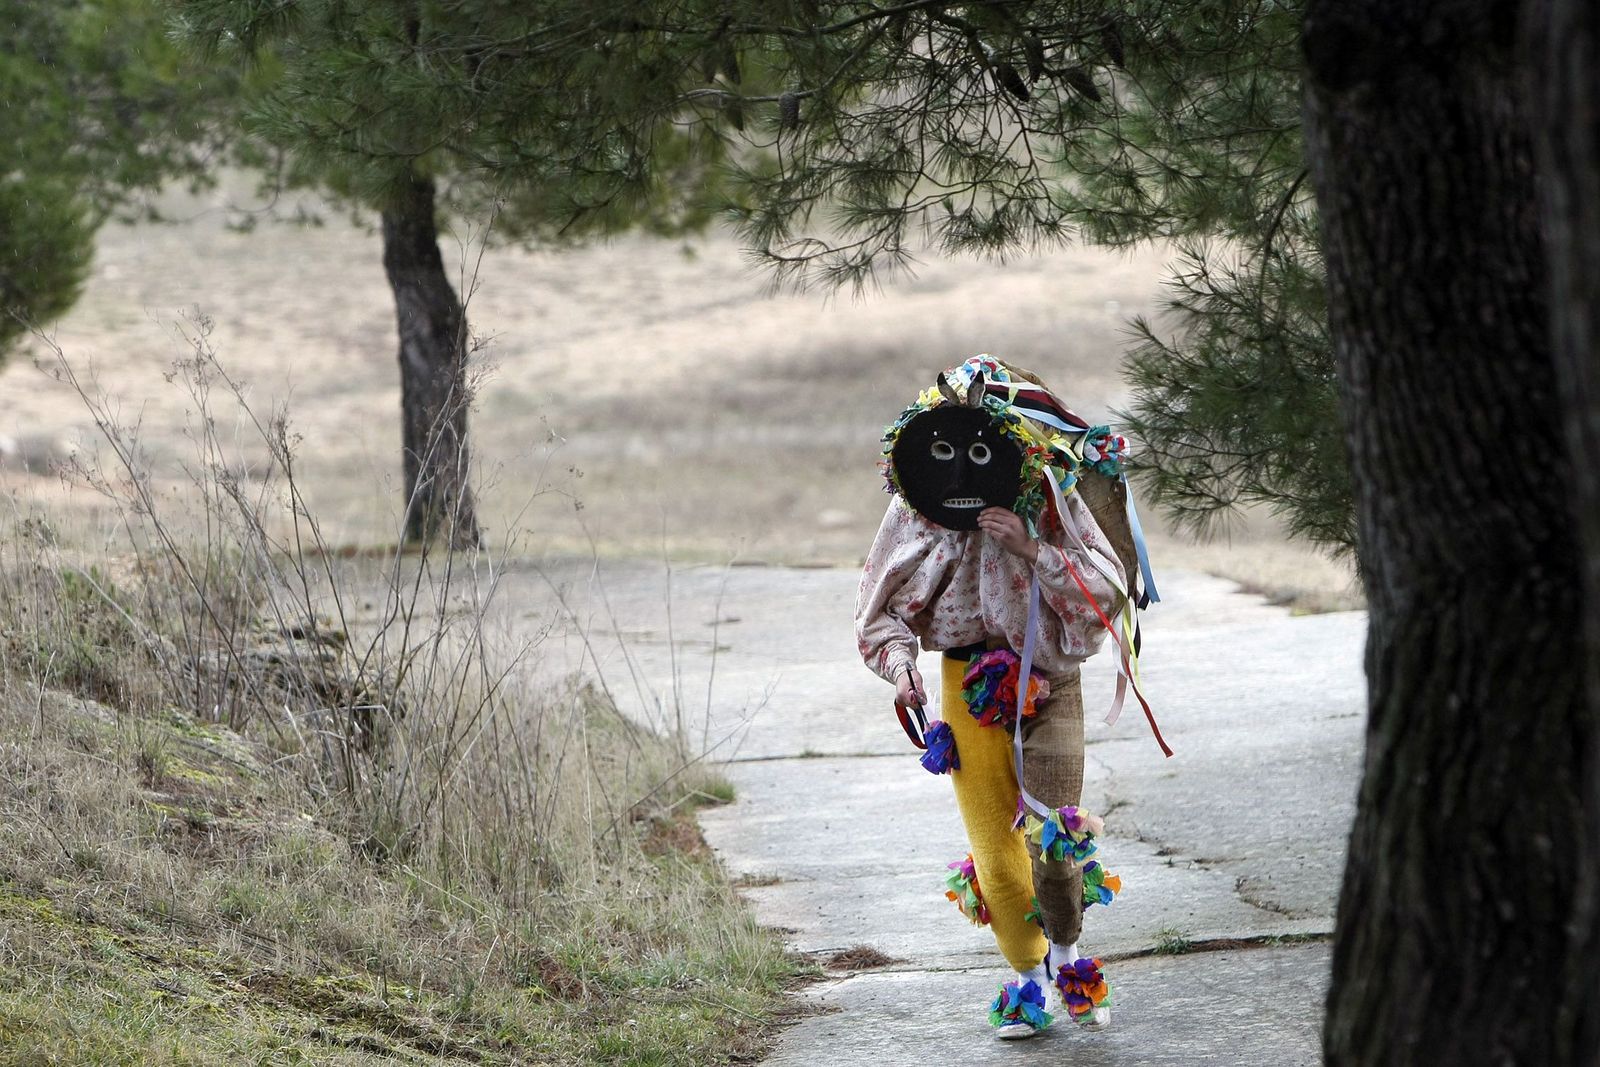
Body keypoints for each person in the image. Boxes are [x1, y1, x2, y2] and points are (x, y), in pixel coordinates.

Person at [855, 354, 1164, 1040]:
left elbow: (1104, 593)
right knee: (999, 856)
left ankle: (1067, 954)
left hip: (1050, 678)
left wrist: (1033, 549)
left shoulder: (1049, 499)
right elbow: (881, 613)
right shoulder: (919, 511)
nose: (961, 470)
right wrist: (901, 666)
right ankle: (1028, 979)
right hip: (967, 686)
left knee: (1053, 845)